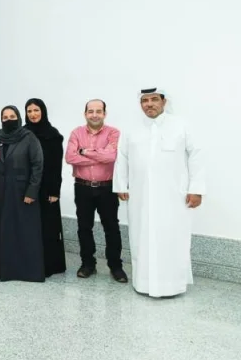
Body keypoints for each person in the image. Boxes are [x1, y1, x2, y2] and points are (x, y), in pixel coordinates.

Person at [113, 88, 205, 297]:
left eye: (154, 99)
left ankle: (172, 284)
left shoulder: (181, 125)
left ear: (164, 102)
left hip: (173, 196)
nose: (149, 104)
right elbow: (122, 157)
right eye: (145, 100)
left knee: (172, 237)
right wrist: (121, 185)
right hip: (140, 196)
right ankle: (143, 283)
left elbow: (196, 156)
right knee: (141, 237)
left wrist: (196, 189)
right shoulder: (132, 129)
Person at [0, 106, 45, 282]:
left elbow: (37, 165)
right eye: (5, 117)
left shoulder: (29, 137)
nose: (8, 120)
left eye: (12, 116)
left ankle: (20, 269)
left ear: (19, 117)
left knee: (20, 230)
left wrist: (31, 191)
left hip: (21, 192)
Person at [65, 99, 126, 282]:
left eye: (98, 111)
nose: (94, 115)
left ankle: (115, 266)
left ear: (104, 114)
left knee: (111, 227)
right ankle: (87, 264)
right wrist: (99, 154)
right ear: (85, 114)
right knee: (84, 227)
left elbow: (111, 156)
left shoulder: (113, 132)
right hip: (82, 187)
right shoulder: (76, 133)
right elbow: (70, 157)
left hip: (107, 188)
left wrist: (84, 151)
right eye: (90, 111)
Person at [24, 98, 67, 277]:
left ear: (43, 111)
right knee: (28, 225)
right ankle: (28, 262)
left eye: (36, 110)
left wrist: (55, 191)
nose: (33, 114)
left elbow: (56, 166)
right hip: (27, 188)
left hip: (47, 188)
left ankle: (49, 265)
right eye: (29, 111)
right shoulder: (22, 134)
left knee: (48, 227)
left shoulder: (52, 135)